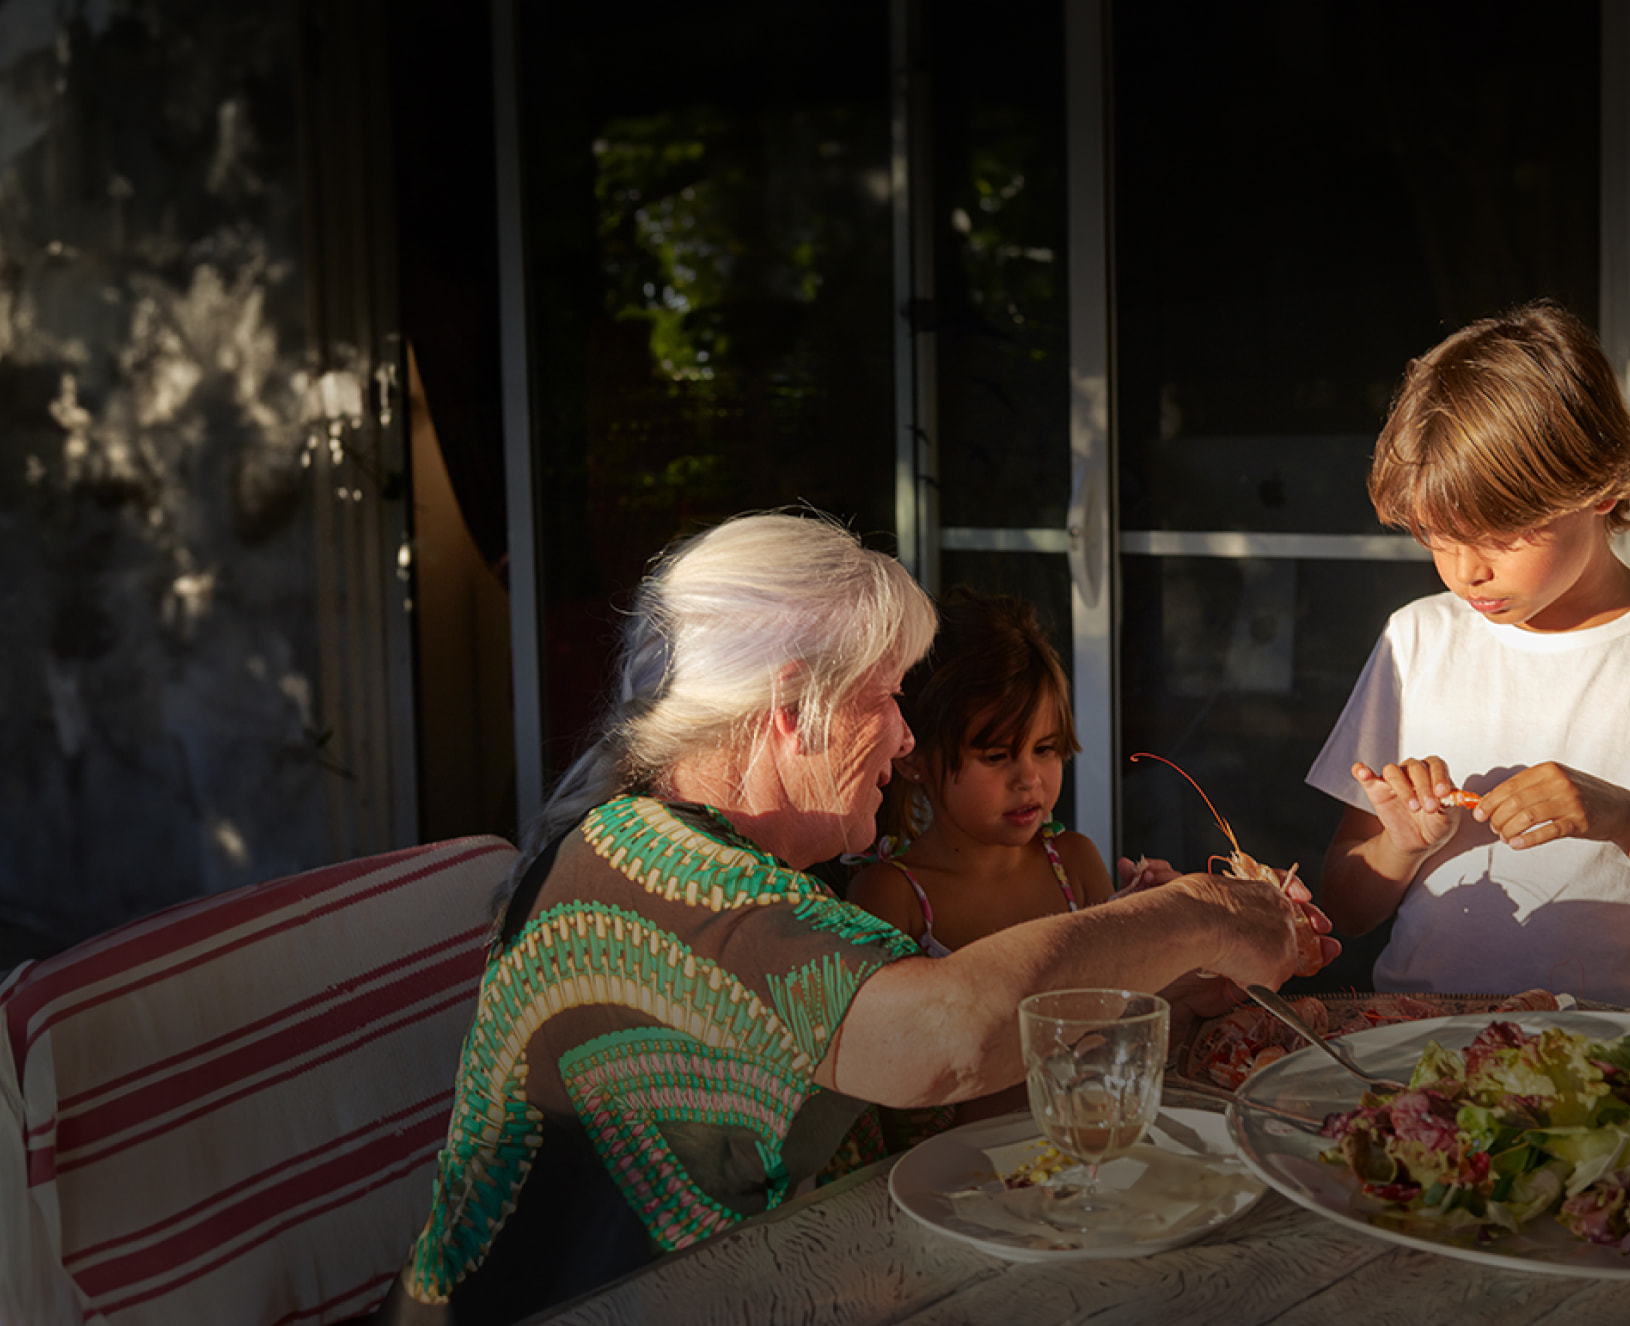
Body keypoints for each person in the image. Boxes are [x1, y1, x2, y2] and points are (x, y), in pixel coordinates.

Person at [379, 510, 1335, 1325]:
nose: (906, 737)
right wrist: (1202, 911)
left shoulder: (688, 855)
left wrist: (1162, 982)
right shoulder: (672, 876)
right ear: (794, 706)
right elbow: (944, 1037)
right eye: (885, 698)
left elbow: (947, 1102)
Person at [1308, 299, 1630, 1005]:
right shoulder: (1418, 640)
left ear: (1606, 484)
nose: (1464, 571)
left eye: (1498, 533)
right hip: (1417, 1043)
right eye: (1435, 536)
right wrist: (1402, 844)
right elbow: (1345, 910)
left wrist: (1618, 816)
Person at [846, 588, 1112, 1122]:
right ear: (915, 758)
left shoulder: (1076, 864)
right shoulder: (893, 898)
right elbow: (894, 1088)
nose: (1029, 779)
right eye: (997, 756)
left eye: (1046, 749)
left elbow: (1121, 1016)